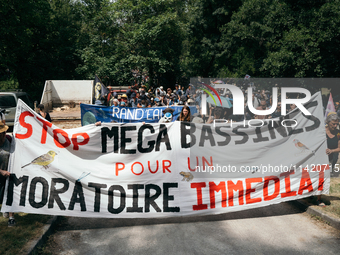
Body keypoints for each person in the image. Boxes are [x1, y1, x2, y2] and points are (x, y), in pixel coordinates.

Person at [0, 121, 15, 226]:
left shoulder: (9, 140)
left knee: (10, 193)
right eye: (2, 133)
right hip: (0, 173)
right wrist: (1, 171)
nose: (5, 134)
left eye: (5, 132)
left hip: (9, 173)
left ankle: (11, 218)